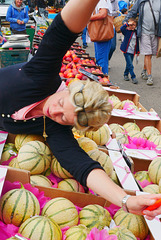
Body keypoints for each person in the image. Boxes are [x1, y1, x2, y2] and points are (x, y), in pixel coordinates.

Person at [1, 0, 161, 220]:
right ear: (67, 89)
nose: (54, 114)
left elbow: (83, 166)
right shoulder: (42, 73)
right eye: (60, 105)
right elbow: (63, 30)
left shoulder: (55, 128)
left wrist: (126, 200)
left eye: (65, 119)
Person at [123, 0, 161, 86]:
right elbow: (132, 12)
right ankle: (150, 76)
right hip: (144, 32)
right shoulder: (141, 1)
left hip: (155, 33)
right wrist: (125, 21)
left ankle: (144, 70)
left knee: (150, 54)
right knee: (148, 53)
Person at [89, 0, 113, 75]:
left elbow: (103, 14)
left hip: (101, 33)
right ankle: (102, 78)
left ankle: (102, 78)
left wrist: (88, 18)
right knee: (100, 58)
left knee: (101, 60)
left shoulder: (101, 1)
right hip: (100, 34)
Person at [120, 18, 139, 84]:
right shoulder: (126, 31)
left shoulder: (136, 32)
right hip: (126, 51)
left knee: (128, 64)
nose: (132, 26)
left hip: (132, 51)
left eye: (134, 25)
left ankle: (125, 74)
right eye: (131, 25)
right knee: (131, 65)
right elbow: (121, 28)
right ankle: (133, 77)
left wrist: (138, 51)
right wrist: (127, 24)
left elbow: (137, 43)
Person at [108, 0, 119, 67]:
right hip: (102, 27)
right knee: (103, 46)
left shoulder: (115, 1)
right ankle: (103, 61)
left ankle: (107, 59)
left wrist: (110, 14)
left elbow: (117, 12)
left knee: (113, 47)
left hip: (112, 26)